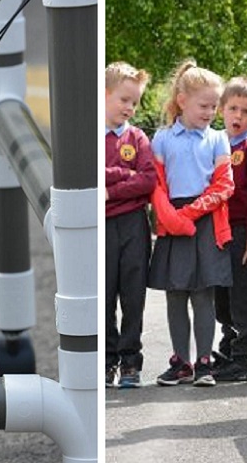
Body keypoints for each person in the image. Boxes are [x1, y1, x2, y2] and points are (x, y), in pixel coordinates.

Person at [148, 59, 234, 387]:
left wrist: (190, 215)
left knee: (202, 295)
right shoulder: (162, 139)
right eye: (204, 105)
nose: (210, 112)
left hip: (205, 221)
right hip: (172, 221)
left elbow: (224, 185)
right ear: (182, 100)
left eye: (214, 106)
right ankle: (181, 361)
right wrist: (171, 218)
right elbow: (156, 185)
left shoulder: (217, 140)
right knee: (175, 294)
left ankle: (205, 361)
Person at [105, 62, 156, 388]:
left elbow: (148, 180)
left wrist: (110, 189)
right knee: (105, 294)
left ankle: (130, 362)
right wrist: (127, 175)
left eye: (134, 102)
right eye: (124, 99)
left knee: (133, 295)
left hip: (134, 224)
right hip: (105, 226)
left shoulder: (137, 138)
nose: (129, 108)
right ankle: (107, 359)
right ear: (105, 94)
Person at [212, 76, 247, 382]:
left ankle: (243, 356)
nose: (238, 116)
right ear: (222, 110)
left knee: (242, 292)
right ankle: (227, 347)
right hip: (216, 228)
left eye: (246, 111)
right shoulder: (214, 142)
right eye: (233, 108)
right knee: (221, 292)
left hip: (242, 229)